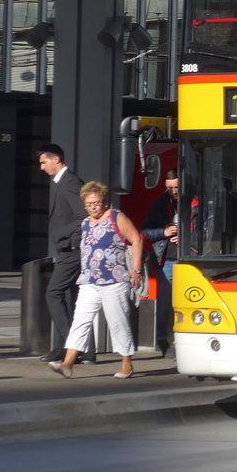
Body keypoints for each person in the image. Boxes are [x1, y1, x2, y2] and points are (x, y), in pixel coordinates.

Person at [48, 182, 144, 379]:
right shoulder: (85, 223)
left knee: (117, 322)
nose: (93, 207)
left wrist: (136, 269)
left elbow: (136, 239)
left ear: (104, 202)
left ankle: (127, 363)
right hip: (89, 280)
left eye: (97, 203)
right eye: (89, 204)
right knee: (80, 321)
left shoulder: (117, 217)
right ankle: (67, 363)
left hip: (114, 279)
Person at [38, 143, 90, 364]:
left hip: (72, 252)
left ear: (56, 159)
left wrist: (72, 243)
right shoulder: (63, 183)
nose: (41, 167)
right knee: (72, 298)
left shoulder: (70, 183)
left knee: (54, 293)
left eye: (43, 162)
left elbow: (83, 217)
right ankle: (74, 348)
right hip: (68, 250)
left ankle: (72, 347)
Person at [141, 169, 179, 279]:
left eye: (176, 187)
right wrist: (163, 232)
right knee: (165, 295)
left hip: (190, 259)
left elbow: (206, 231)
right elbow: (145, 232)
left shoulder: (194, 203)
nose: (174, 191)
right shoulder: (159, 205)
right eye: (170, 188)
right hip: (166, 260)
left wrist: (186, 239)